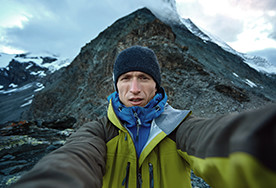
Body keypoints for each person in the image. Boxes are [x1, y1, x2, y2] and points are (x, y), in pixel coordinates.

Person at [12, 46, 276, 188]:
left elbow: (221, 142)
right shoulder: (98, 132)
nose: (135, 89)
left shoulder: (179, 128)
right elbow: (74, 159)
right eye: (126, 79)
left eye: (144, 78)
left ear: (156, 85)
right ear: (116, 85)